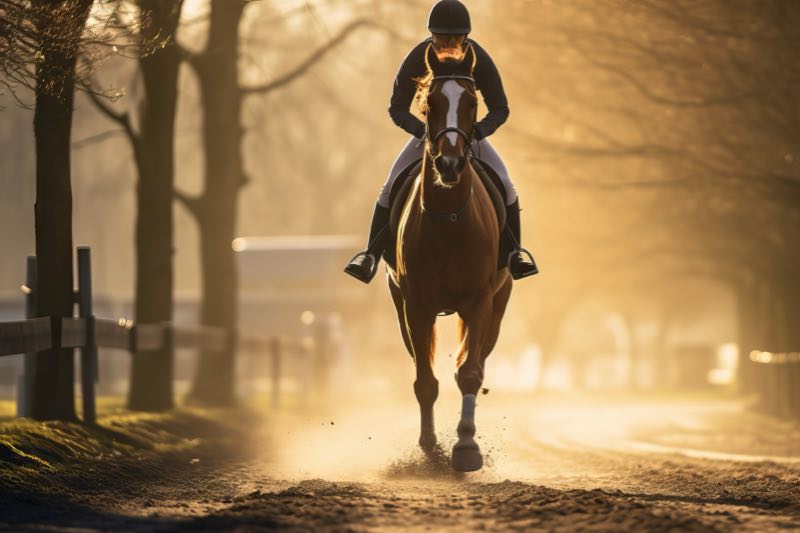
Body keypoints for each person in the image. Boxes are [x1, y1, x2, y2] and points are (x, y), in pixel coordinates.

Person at [344, 0, 539, 283]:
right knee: (389, 188)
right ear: (431, 35)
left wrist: (478, 132)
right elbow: (397, 108)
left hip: (468, 136)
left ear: (466, 37)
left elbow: (500, 107)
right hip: (430, 137)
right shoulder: (417, 57)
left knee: (507, 186)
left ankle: (514, 254)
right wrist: (423, 133)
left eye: (455, 38)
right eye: (441, 37)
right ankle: (370, 255)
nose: (448, 43)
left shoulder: (479, 58)